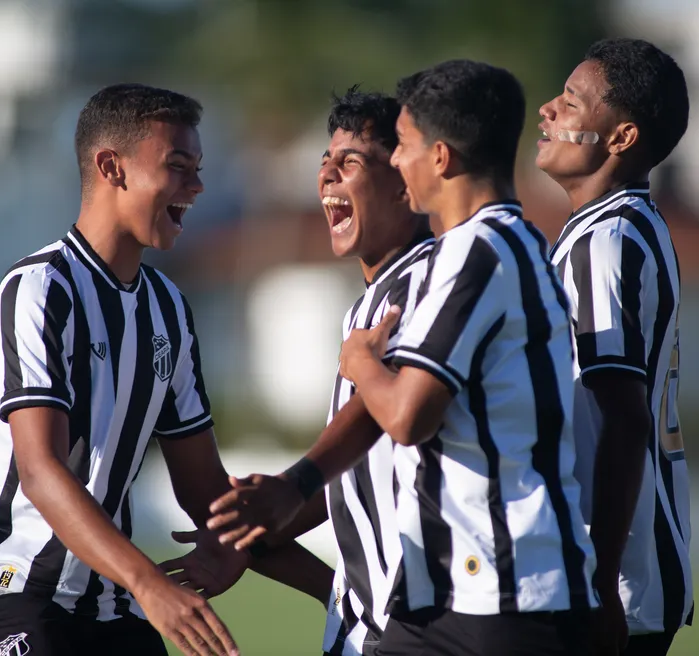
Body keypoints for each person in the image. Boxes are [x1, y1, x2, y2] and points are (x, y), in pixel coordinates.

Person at [209, 61, 598, 656]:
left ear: (436, 158)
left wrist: (361, 368)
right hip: (456, 600)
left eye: (401, 148)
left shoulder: (467, 254)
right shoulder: (477, 254)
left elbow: (403, 415)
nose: (397, 161)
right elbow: (372, 465)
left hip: (496, 592)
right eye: (326, 160)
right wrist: (279, 510)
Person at [0, 83, 330, 656]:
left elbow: (206, 493)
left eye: (198, 168)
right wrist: (148, 584)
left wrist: (335, 590)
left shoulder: (168, 307)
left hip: (109, 604)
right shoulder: (40, 289)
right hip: (9, 591)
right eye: (177, 166)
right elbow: (42, 471)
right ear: (111, 167)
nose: (196, 186)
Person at [164, 86, 435, 656]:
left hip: (425, 628)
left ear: (407, 181)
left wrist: (289, 489)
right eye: (324, 162)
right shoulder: (370, 299)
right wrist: (255, 529)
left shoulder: (428, 287)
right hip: (373, 625)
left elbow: (392, 420)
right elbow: (364, 462)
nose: (328, 176)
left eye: (352, 161)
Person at [536, 38, 693, 656]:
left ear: (620, 137)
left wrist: (597, 580)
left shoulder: (606, 241)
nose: (548, 109)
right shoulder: (618, 228)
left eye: (571, 102)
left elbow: (624, 421)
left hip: (613, 589)